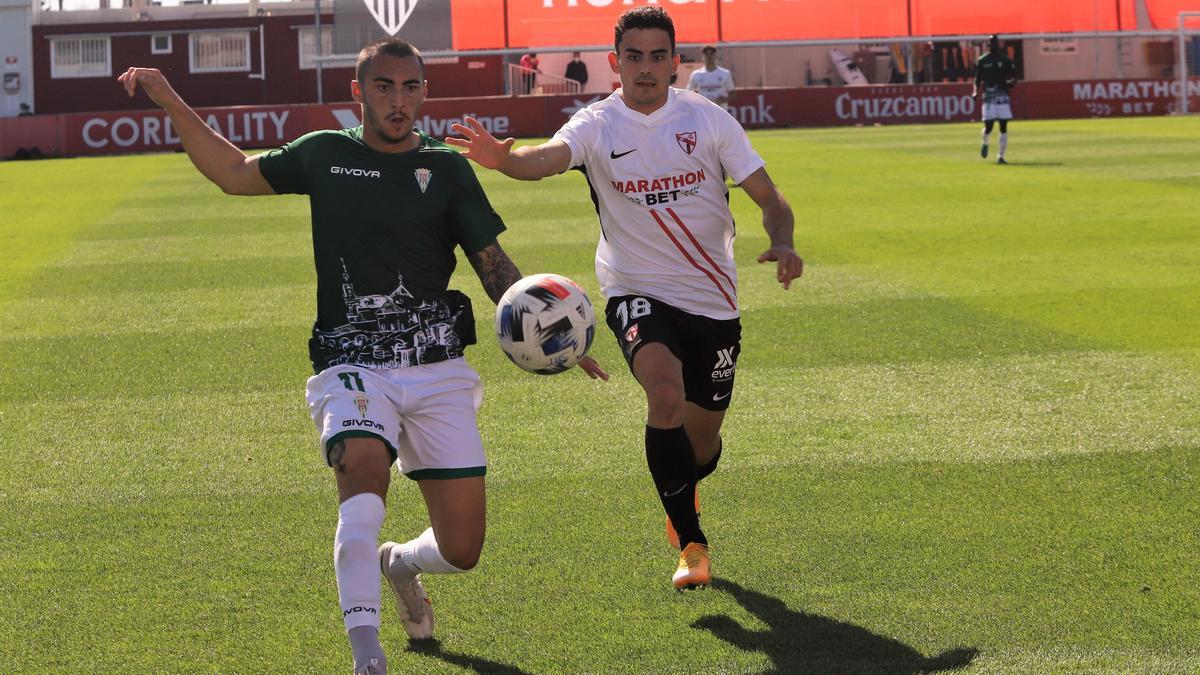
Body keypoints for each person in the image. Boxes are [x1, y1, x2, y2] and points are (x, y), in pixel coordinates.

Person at [118, 38, 605, 675]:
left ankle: (398, 563)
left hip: (437, 367)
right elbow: (234, 173)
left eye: (410, 87)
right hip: (352, 362)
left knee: (463, 549)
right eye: (384, 87)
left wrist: (555, 337)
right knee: (363, 478)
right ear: (359, 93)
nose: (398, 101)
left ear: (423, 93)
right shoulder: (324, 153)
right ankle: (366, 654)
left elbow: (493, 267)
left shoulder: (447, 169)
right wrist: (168, 98)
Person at [446, 6, 802, 591]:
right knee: (663, 395)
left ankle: (680, 492)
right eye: (632, 56)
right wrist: (505, 159)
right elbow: (546, 160)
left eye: (657, 56)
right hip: (634, 290)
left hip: (713, 299)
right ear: (615, 63)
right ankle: (692, 545)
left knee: (700, 444)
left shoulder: (707, 120)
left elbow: (771, 198)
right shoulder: (596, 124)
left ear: (675, 63)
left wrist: (783, 241)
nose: (644, 68)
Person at [974, 34, 1017, 164]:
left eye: (995, 45)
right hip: (989, 97)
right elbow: (977, 80)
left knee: (1003, 126)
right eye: (991, 45)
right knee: (989, 126)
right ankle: (985, 141)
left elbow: (1015, 77)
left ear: (998, 46)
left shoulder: (1005, 60)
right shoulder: (983, 60)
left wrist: (1012, 82)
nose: (993, 47)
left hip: (1003, 96)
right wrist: (975, 92)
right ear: (988, 46)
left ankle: (1001, 156)